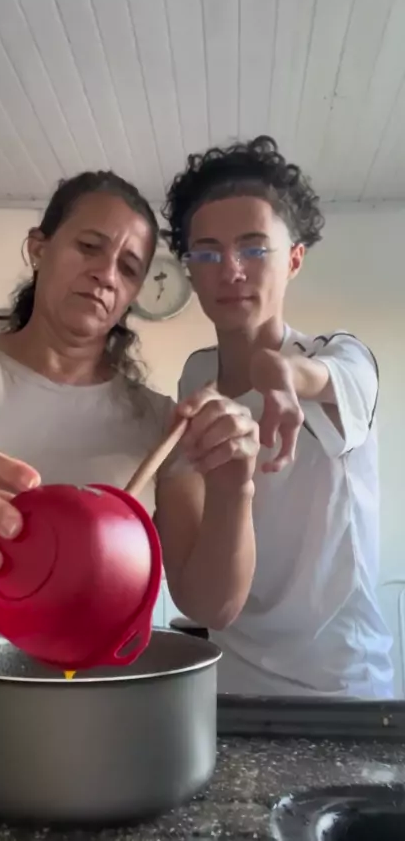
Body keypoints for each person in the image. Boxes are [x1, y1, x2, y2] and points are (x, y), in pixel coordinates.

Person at [0, 170, 260, 682]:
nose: (106, 274)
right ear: (39, 248)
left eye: (128, 267)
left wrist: (236, 488)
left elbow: (212, 606)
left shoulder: (160, 422)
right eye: (88, 247)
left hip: (93, 706)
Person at [161, 136, 394, 699]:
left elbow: (322, 377)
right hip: (227, 687)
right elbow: (205, 599)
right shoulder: (196, 379)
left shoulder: (342, 360)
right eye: (208, 252)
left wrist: (280, 373)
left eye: (254, 248)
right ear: (190, 269)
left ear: (293, 260)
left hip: (341, 689)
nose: (231, 270)